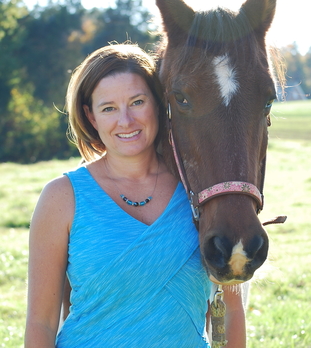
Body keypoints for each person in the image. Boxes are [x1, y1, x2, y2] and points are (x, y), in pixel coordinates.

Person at [24, 43, 246, 347]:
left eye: (137, 102)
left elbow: (231, 311)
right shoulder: (61, 198)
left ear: (159, 103)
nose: (125, 121)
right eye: (109, 108)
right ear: (91, 117)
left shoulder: (201, 191)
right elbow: (41, 322)